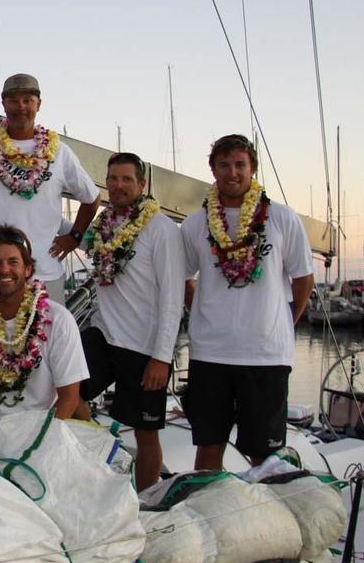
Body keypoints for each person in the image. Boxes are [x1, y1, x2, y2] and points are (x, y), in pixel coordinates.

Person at [180, 134, 313, 470]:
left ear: (252, 168)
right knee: (208, 452)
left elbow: (303, 278)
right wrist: (201, 314)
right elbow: (183, 277)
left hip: (265, 357)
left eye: (240, 164)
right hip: (210, 355)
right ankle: (210, 514)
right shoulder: (196, 223)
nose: (232, 173)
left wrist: (284, 321)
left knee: (265, 458)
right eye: (224, 165)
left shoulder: (282, 218)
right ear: (213, 170)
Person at [74, 152, 185, 491]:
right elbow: (77, 237)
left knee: (146, 432)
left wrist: (162, 357)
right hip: (103, 335)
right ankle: (98, 450)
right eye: (113, 179)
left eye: (126, 179)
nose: (118, 186)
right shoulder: (105, 224)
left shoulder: (161, 229)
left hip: (143, 347)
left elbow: (172, 297)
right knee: (63, 391)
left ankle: (145, 499)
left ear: (141, 184)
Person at [0, 73, 100, 304]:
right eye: (14, 101)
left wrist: (75, 236)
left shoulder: (60, 152)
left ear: (38, 104)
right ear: (3, 103)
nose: (21, 107)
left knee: (50, 341)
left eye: (28, 100)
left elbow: (91, 198)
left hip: (46, 276)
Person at [0, 225, 88, 449]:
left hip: (40, 437)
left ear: (28, 269)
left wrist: (38, 447)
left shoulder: (58, 319)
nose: (4, 270)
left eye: (13, 262)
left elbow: (69, 398)